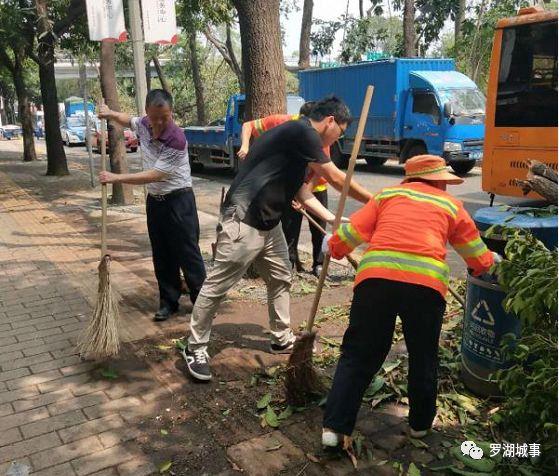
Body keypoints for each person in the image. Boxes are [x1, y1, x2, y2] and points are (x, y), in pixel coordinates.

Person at [183, 96, 373, 381]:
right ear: (330, 121)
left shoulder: (297, 142)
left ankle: (281, 338)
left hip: (269, 224)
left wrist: (331, 217)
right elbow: (334, 177)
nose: (338, 139)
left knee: (281, 277)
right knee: (217, 286)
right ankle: (194, 348)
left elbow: (300, 190)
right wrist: (376, 201)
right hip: (243, 220)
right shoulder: (302, 132)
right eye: (340, 132)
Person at [321, 154, 496, 447]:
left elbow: (353, 232)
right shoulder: (451, 205)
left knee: (358, 352)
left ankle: (335, 428)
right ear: (438, 180)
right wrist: (487, 263)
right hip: (425, 289)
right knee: (423, 355)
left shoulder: (386, 195)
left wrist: (333, 247)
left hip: (375, 282)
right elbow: (477, 255)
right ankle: (420, 425)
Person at [98, 89, 206, 322]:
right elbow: (128, 120)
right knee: (161, 253)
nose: (158, 123)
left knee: (188, 254)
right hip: (155, 202)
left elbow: (155, 174)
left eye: (164, 117)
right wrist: (109, 114)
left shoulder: (176, 139)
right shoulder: (144, 124)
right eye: (154, 117)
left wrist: (116, 178)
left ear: (171, 113)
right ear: (147, 112)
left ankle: (203, 304)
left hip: (179, 201)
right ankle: (168, 302)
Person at [238, 102, 330, 276]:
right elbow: (248, 125)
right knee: (290, 228)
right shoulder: (283, 123)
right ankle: (289, 263)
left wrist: (306, 197)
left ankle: (318, 264)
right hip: (293, 187)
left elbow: (322, 171)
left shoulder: (321, 135)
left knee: (319, 229)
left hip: (315, 186)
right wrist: (245, 146)